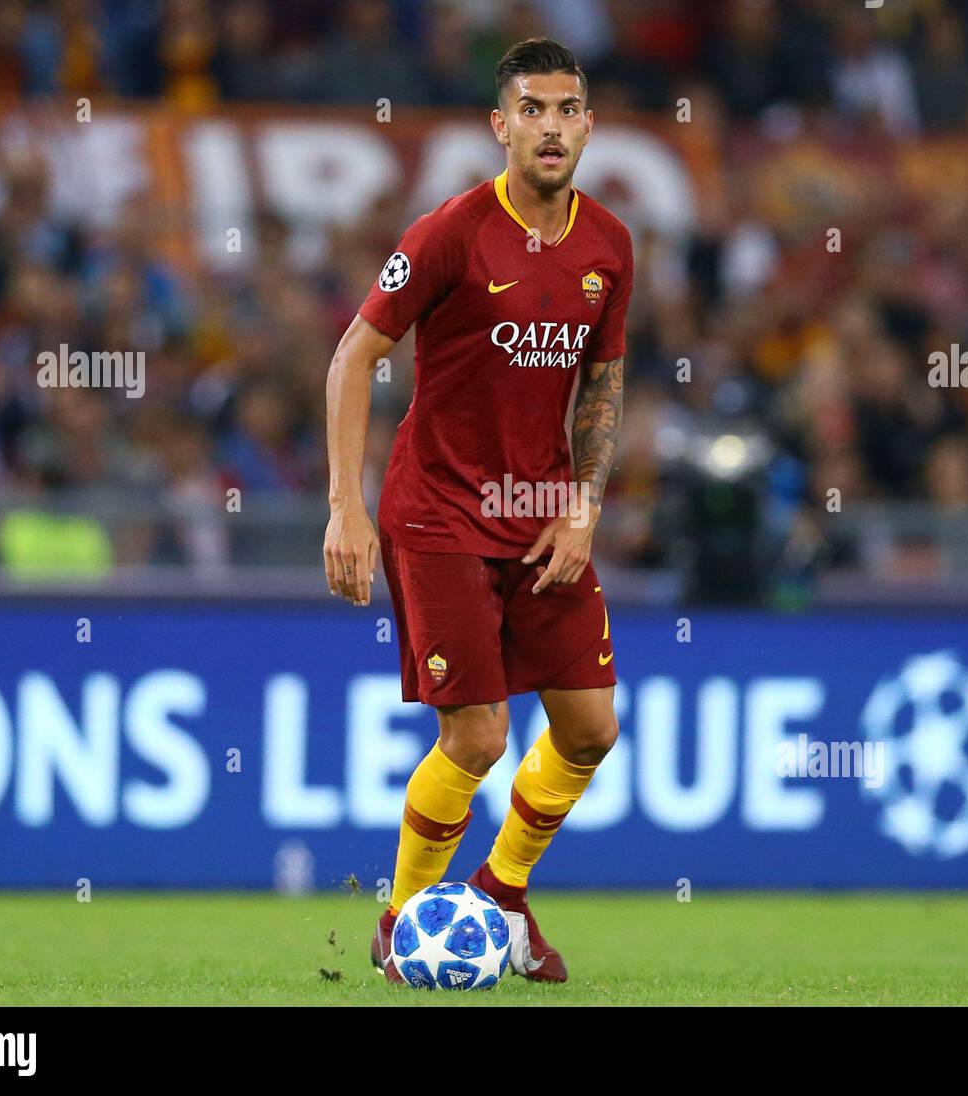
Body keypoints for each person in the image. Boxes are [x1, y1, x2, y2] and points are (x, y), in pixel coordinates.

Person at [324, 36, 633, 984]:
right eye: (530, 110)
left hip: (542, 514)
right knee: (481, 736)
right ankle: (402, 916)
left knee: (589, 728)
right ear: (500, 127)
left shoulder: (609, 245)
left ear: (587, 123)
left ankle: (501, 898)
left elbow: (602, 387)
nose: (550, 126)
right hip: (440, 514)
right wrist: (347, 508)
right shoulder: (448, 233)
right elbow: (352, 359)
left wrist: (582, 508)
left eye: (566, 108)